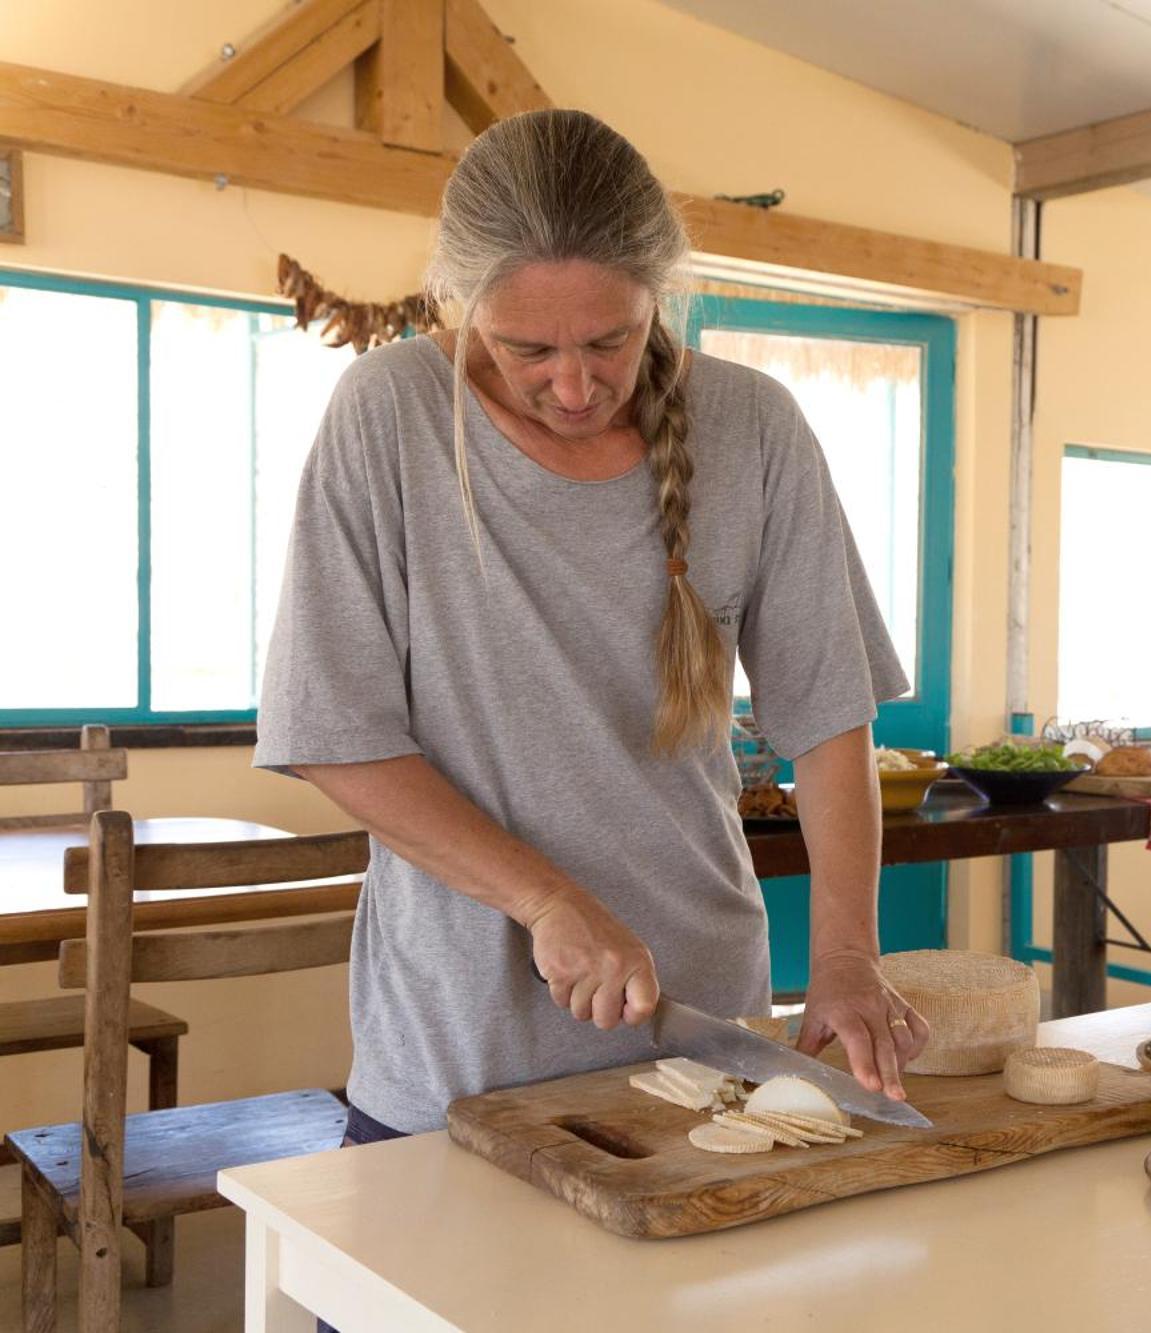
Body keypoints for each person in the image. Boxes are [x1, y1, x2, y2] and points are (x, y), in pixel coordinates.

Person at [253, 109, 931, 1149]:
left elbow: (827, 716)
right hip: (454, 1051)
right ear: (462, 300)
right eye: (526, 347)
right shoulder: (387, 415)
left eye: (609, 340)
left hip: (702, 1038)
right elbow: (333, 733)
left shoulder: (755, 429)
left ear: (658, 295)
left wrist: (846, 953)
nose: (573, 386)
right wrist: (545, 900)